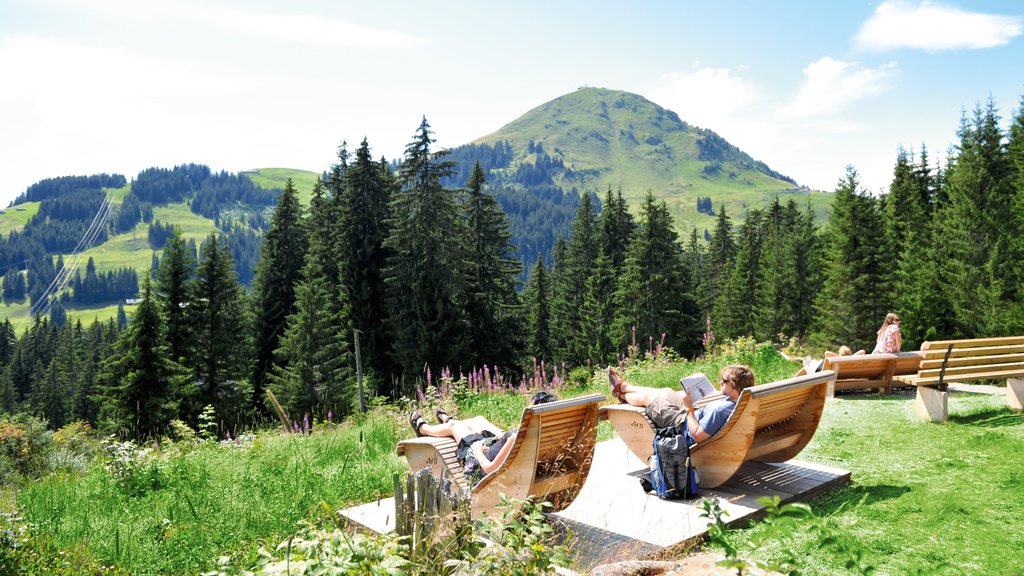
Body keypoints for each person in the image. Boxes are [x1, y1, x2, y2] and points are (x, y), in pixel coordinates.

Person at [408, 391, 558, 484]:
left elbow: (489, 469)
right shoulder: (545, 434)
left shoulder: (516, 438)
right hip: (498, 449)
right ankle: (446, 420)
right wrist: (503, 437)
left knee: (454, 426)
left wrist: (478, 452)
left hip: (480, 461)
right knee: (478, 420)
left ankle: (423, 428)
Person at [608, 364, 755, 445]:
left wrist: (688, 407)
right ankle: (624, 387)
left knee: (648, 398)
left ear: (735, 386)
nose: (720, 382)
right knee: (666, 392)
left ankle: (623, 395)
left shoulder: (719, 411)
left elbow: (697, 436)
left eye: (724, 381)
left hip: (681, 424)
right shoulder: (742, 401)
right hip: (693, 416)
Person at [802, 345, 866, 374]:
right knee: (814, 361)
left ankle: (807, 362)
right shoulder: (851, 360)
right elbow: (862, 351)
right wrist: (850, 357)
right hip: (821, 365)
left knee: (811, 362)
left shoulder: (838, 360)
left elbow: (826, 353)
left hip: (819, 369)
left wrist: (840, 357)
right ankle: (808, 360)